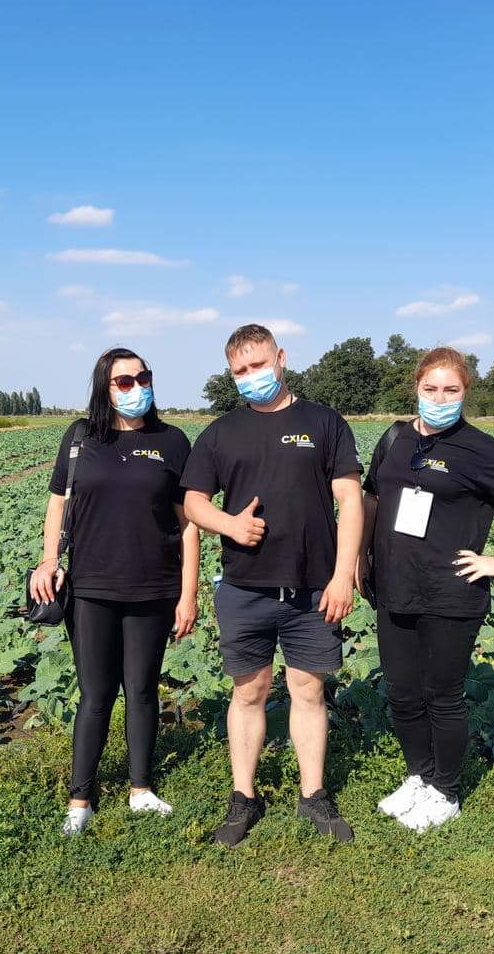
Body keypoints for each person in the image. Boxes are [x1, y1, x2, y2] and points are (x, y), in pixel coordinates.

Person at [181, 324, 363, 847]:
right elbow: (193, 504)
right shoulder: (220, 433)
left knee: (308, 690)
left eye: (258, 365)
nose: (250, 377)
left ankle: (313, 796)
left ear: (280, 358)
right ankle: (244, 797)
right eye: (240, 370)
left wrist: (342, 575)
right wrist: (230, 525)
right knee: (250, 692)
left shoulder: (324, 422)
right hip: (245, 589)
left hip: (312, 591)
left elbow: (349, 501)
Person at [357, 346, 494, 832]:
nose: (439, 397)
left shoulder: (481, 449)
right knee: (402, 692)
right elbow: (372, 497)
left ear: (465, 393)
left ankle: (447, 790)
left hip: (451, 591)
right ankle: (419, 776)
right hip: (394, 584)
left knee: (442, 694)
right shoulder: (395, 438)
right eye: (430, 388)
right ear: (416, 387)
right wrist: (360, 554)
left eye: (451, 390)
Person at [29, 347, 200, 836]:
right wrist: (48, 561)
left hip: (153, 586)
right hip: (92, 587)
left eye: (142, 377)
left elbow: (188, 524)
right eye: (124, 381)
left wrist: (188, 595)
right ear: (105, 388)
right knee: (96, 695)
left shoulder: (171, 441)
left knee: (143, 691)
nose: (136, 387)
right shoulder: (81, 437)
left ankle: (141, 789)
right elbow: (58, 505)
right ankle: (80, 798)